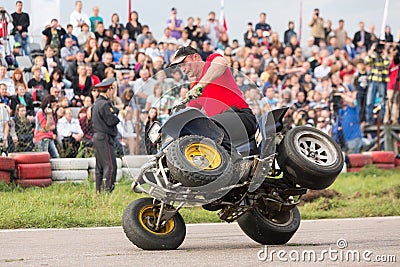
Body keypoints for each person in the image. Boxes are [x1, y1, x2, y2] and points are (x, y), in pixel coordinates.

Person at [170, 46, 258, 156]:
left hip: (240, 115)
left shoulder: (211, 61)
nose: (183, 69)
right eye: (180, 66)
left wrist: (201, 85)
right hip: (222, 126)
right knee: (197, 133)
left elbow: (221, 63)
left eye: (184, 63)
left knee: (208, 126)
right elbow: (189, 110)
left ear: (196, 57)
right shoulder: (196, 89)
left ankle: (236, 162)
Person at [91, 77, 120, 193]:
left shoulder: (96, 104)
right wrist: (117, 116)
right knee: (111, 165)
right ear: (108, 90)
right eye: (111, 89)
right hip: (105, 137)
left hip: (97, 137)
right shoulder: (105, 104)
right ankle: (107, 190)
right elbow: (111, 121)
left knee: (100, 166)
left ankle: (99, 190)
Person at [365, 42, 390, 125]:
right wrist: (372, 50)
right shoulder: (374, 55)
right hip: (373, 80)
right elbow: (367, 61)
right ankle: (369, 120)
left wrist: (385, 53)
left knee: (382, 101)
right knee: (369, 101)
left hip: (382, 80)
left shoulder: (385, 56)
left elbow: (387, 64)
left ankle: (382, 120)